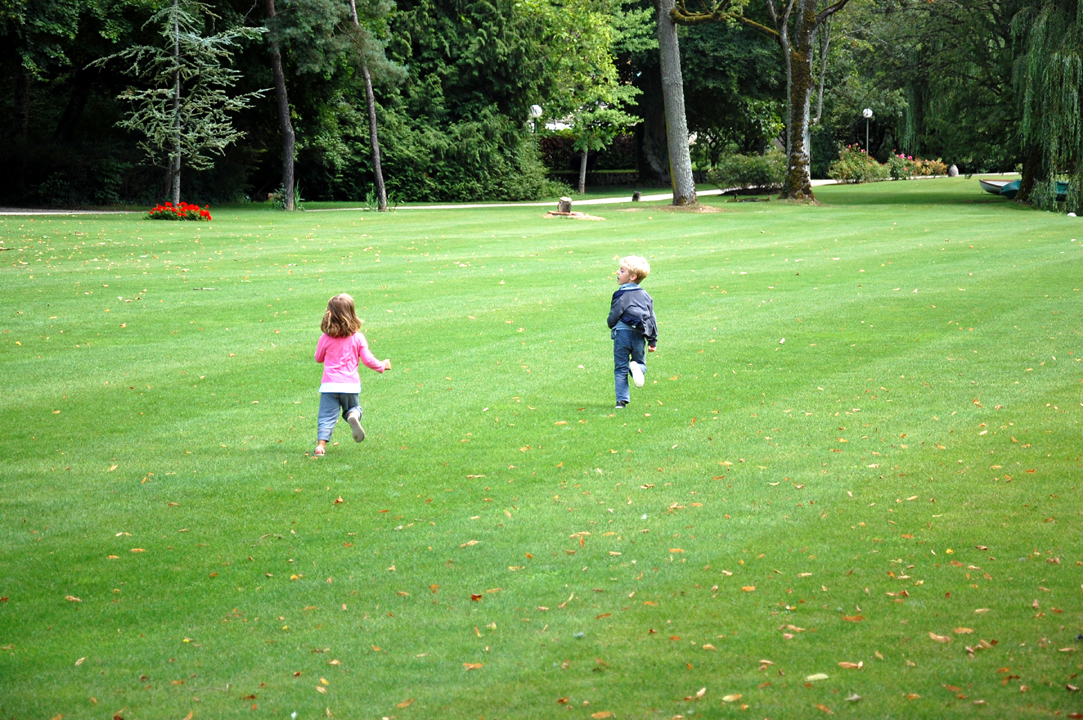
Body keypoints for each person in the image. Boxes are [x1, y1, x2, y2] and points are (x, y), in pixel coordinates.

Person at [313, 293, 391, 456]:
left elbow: (318, 358)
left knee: (326, 417)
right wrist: (382, 365)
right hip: (350, 385)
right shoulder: (358, 338)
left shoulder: (325, 338)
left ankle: (320, 446)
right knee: (353, 408)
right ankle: (353, 415)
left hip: (329, 386)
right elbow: (368, 360)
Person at [607, 255, 657, 409]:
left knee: (620, 368)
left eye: (622, 271)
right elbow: (651, 318)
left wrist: (610, 323)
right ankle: (637, 369)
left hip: (622, 335)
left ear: (632, 276)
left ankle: (621, 401)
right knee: (639, 362)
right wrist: (652, 340)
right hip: (639, 336)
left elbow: (614, 314)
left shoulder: (620, 295)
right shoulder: (646, 296)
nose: (617, 272)